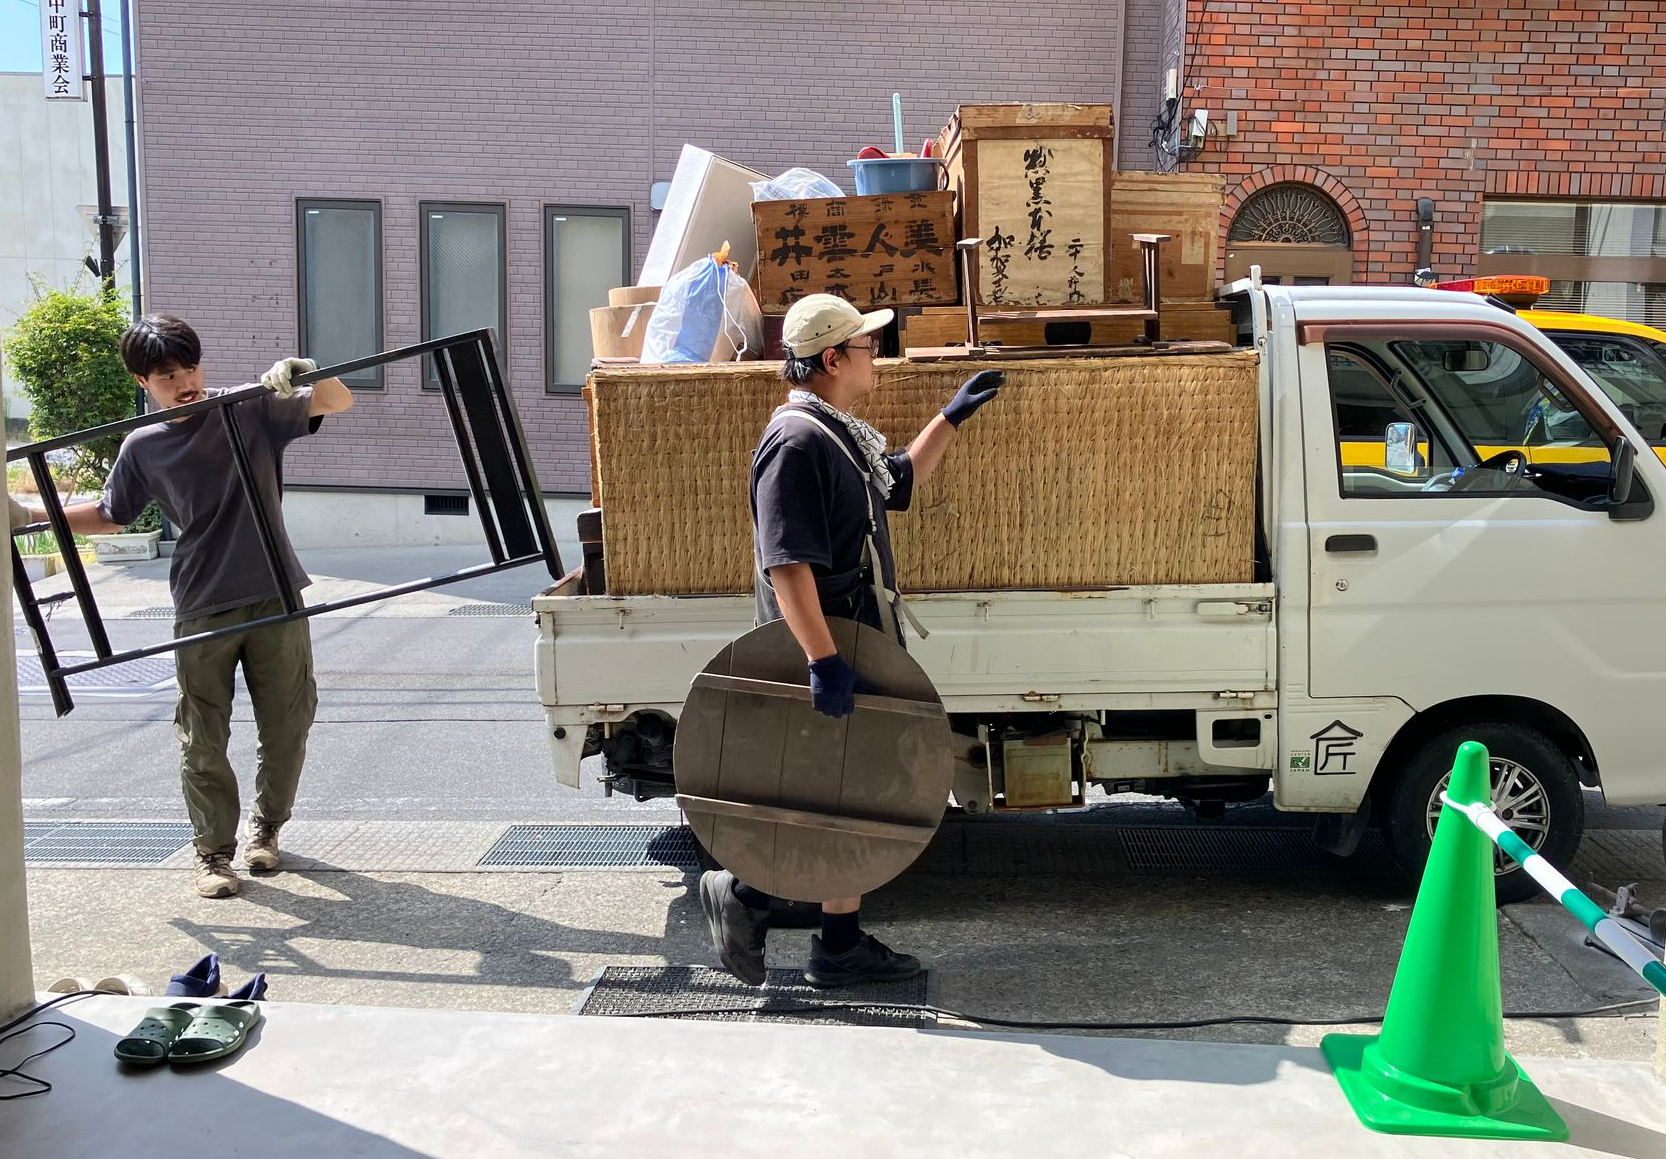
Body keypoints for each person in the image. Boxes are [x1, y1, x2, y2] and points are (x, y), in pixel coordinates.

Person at [697, 294, 1002, 987]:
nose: (879, 358)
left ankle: (838, 944)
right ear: (832, 359)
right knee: (830, 796)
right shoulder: (797, 442)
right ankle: (742, 895)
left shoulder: (838, 434)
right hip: (827, 649)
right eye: (868, 347)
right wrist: (824, 661)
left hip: (854, 642)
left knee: (853, 792)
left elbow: (899, 482)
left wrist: (950, 417)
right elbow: (786, 562)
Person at [10, 314, 354, 898]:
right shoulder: (142, 444)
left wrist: (306, 372)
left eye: (190, 366)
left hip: (275, 591)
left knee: (289, 723)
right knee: (202, 736)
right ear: (144, 382)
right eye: (168, 374)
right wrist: (31, 516)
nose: (185, 381)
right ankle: (212, 855)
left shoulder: (248, 407)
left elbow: (337, 401)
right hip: (201, 601)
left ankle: (266, 832)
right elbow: (112, 514)